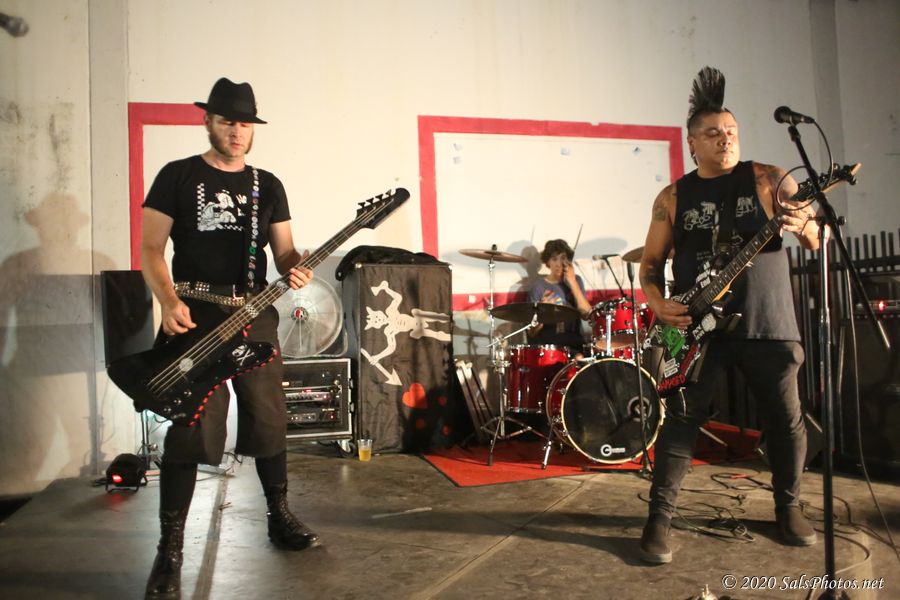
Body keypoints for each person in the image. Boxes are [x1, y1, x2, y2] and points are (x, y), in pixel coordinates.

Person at [637, 67, 824, 564]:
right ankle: (659, 519)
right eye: (713, 133)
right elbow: (650, 264)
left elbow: (816, 239)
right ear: (692, 143)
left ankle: (788, 508)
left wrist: (804, 224)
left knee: (784, 420)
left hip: (767, 320)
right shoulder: (673, 197)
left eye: (732, 130)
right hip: (693, 326)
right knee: (680, 421)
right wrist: (657, 303)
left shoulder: (769, 178)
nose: (726, 139)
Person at [140, 77, 319, 598]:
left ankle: (279, 516)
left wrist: (298, 264)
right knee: (191, 424)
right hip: (195, 313)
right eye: (227, 122)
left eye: (244, 124)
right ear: (208, 122)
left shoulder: (268, 184)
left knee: (268, 415)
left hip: (255, 312)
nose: (236, 132)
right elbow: (151, 248)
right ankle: (170, 548)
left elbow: (284, 253)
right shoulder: (176, 176)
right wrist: (168, 301)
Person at [526, 239, 593, 354]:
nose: (559, 264)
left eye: (563, 258)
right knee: (578, 358)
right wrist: (543, 311)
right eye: (554, 259)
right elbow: (531, 332)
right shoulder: (538, 288)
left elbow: (587, 314)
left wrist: (572, 282)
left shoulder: (576, 280)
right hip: (549, 346)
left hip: (575, 342)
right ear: (548, 262)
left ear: (568, 261)